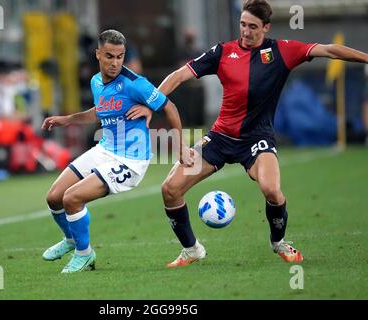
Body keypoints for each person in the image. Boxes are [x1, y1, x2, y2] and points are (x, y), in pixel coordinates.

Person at [155, 0, 368, 267]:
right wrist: (152, 102)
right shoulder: (222, 52)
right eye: (242, 24)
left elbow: (328, 50)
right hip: (220, 138)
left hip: (257, 140)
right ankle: (191, 250)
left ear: (266, 27)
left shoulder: (283, 51)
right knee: (170, 189)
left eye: (253, 27)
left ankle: (278, 242)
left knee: (272, 191)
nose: (245, 31)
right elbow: (179, 75)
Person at [41, 29, 191, 273]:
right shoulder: (96, 82)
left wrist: (181, 145)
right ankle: (71, 239)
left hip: (130, 161)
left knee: (72, 198)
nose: (115, 63)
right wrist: (67, 119)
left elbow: (170, 107)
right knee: (54, 197)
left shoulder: (135, 83)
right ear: (98, 54)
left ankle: (84, 253)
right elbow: (99, 111)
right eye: (109, 56)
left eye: (120, 57)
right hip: (105, 149)